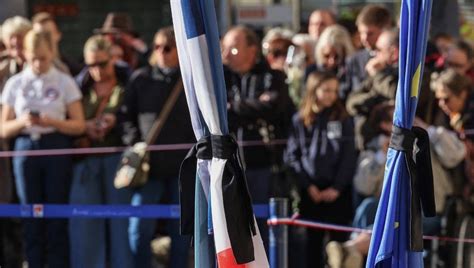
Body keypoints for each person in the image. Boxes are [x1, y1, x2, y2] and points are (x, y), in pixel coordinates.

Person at [1, 30, 85, 268]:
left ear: (51, 54)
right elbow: (3, 129)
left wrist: (53, 122)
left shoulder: (64, 81)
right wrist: (22, 121)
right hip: (25, 147)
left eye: (44, 58)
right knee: (30, 214)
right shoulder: (15, 83)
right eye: (34, 58)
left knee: (56, 213)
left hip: (55, 145)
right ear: (25, 55)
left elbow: (79, 125)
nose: (39, 63)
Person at [118, 26, 193, 268]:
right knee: (139, 228)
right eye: (157, 46)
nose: (161, 52)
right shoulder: (141, 78)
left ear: (179, 51)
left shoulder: (191, 80)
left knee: (181, 231)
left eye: (168, 47)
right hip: (148, 167)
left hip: (182, 167)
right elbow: (126, 116)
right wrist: (134, 142)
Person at [221, 25, 293, 248]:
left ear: (252, 50)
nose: (225, 55)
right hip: (229, 165)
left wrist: (233, 108)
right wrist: (252, 107)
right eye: (225, 49)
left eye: (232, 50)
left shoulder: (272, 77)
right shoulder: (222, 77)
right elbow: (219, 112)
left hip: (262, 164)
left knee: (261, 228)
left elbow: (272, 107)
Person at [69, 35, 132, 268]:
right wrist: (83, 131)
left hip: (119, 158)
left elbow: (137, 116)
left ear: (113, 59)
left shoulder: (129, 82)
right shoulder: (78, 85)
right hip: (86, 160)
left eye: (102, 64)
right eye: (91, 64)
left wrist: (117, 120)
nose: (96, 70)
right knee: (85, 225)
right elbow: (67, 119)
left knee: (120, 225)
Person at [285, 71, 357, 267]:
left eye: (334, 91)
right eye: (326, 90)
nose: (331, 95)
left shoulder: (343, 119)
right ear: (313, 90)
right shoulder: (300, 120)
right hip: (311, 193)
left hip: (336, 193)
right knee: (311, 247)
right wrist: (308, 186)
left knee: (339, 247)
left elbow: (348, 157)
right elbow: (293, 156)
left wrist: (337, 187)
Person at [344, 5, 392, 98]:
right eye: (361, 32)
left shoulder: (397, 59)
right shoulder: (354, 60)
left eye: (370, 33)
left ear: (386, 30)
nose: (364, 38)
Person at [31, 12, 83, 76]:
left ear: (58, 35)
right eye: (38, 35)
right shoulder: (24, 72)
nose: (43, 39)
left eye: (47, 34)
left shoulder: (73, 70)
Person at [314, 24, 354, 101]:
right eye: (326, 56)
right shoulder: (313, 71)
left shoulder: (353, 72)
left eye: (337, 56)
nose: (331, 61)